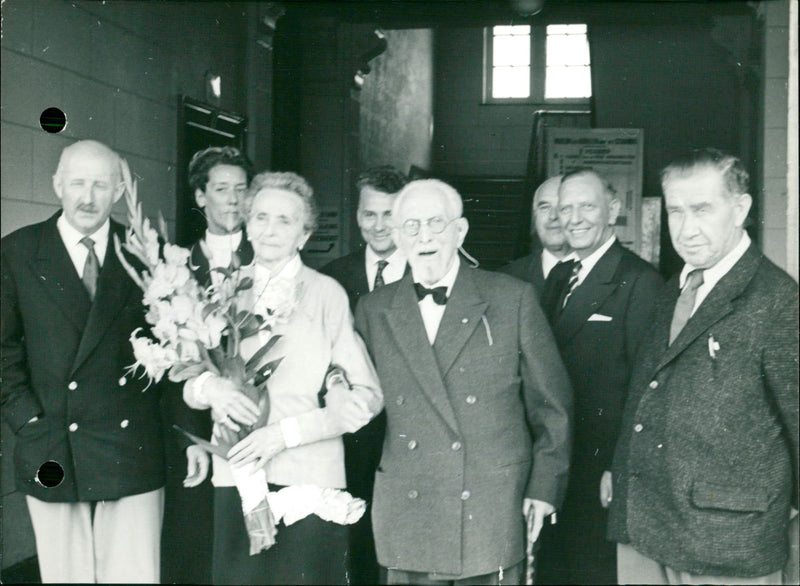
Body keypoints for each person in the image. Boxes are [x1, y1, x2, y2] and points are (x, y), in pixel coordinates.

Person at [354, 179, 573, 585]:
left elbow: (552, 407)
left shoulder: (512, 298)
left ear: (460, 231)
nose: (425, 236)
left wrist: (545, 489)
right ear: (398, 237)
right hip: (409, 507)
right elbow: (351, 387)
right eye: (412, 226)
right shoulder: (373, 309)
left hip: (490, 504)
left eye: (436, 223)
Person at [607, 148, 799, 585]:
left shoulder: (779, 301)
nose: (687, 229)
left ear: (740, 209)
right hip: (645, 528)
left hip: (728, 545)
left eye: (702, 209)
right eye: (675, 211)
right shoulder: (675, 287)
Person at [182, 171, 384, 585]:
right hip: (237, 476)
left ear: (305, 235)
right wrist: (211, 388)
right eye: (261, 217)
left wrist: (285, 434)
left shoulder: (327, 294)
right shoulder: (219, 292)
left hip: (308, 478)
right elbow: (187, 378)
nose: (270, 230)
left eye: (285, 221)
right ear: (247, 224)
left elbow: (366, 397)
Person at [0, 140, 167, 582]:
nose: (87, 197)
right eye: (77, 183)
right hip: (53, 438)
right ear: (57, 184)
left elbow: (173, 348)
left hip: (130, 444)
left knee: (132, 576)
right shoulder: (17, 251)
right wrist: (30, 421)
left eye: (100, 184)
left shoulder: (147, 251)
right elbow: (2, 351)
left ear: (118, 191)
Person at [536, 168, 664, 585]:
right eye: (564, 207)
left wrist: (619, 465)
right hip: (557, 465)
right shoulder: (558, 277)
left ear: (613, 209)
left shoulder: (640, 281)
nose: (572, 218)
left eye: (586, 206)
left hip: (599, 471)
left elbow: (649, 387)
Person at [161, 145, 256, 584]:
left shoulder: (273, 258)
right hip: (199, 432)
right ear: (201, 197)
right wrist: (189, 438)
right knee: (200, 553)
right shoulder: (174, 267)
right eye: (221, 189)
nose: (234, 199)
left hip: (261, 430)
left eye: (242, 189)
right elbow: (167, 370)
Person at [319, 164, 407, 584]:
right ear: (356, 216)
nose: (378, 225)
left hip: (410, 433)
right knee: (356, 537)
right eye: (369, 214)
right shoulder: (332, 276)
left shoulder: (425, 272)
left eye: (389, 214)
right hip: (354, 436)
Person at [501, 175, 571, 299]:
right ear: (534, 217)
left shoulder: (608, 273)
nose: (553, 216)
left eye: (563, 207)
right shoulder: (506, 277)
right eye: (544, 207)